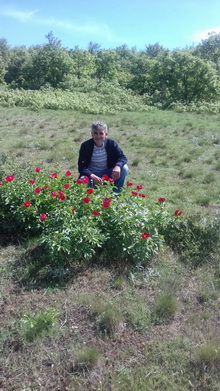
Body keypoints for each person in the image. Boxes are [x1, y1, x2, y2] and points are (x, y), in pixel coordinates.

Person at [78, 120, 128, 192]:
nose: (98, 136)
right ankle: (88, 200)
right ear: (92, 134)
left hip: (106, 173)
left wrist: (118, 166)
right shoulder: (85, 146)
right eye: (95, 133)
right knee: (83, 180)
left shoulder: (111, 143)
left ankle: (116, 195)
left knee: (124, 168)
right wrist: (91, 175)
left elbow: (122, 157)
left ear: (106, 134)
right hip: (91, 175)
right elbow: (81, 167)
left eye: (101, 133)